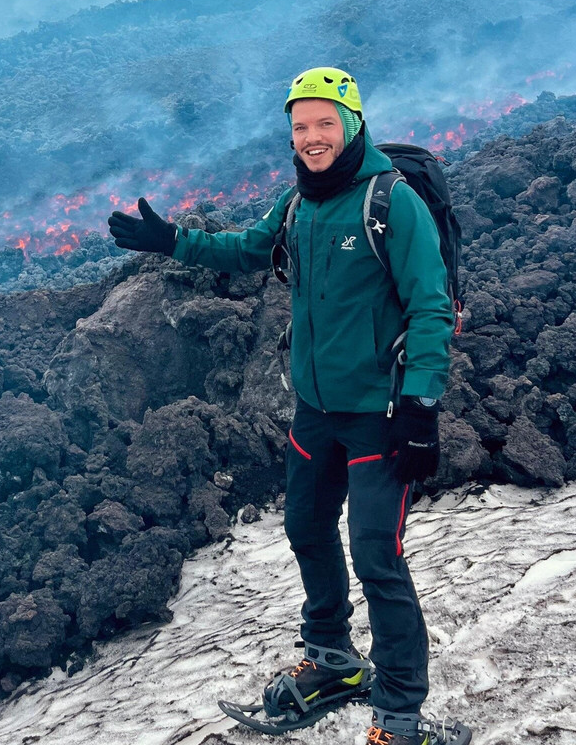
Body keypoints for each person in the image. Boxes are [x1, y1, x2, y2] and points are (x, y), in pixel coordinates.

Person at [108, 67, 471, 745]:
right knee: (305, 527)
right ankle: (333, 661)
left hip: (378, 415)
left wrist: (421, 405)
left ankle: (399, 717)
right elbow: (247, 246)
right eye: (300, 126)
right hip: (314, 409)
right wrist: (175, 241)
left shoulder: (392, 204)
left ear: (353, 124)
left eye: (324, 123)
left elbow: (428, 307)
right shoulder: (298, 204)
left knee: (377, 556)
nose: (311, 137)